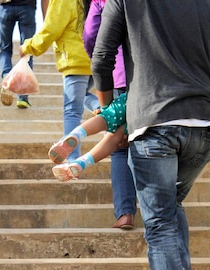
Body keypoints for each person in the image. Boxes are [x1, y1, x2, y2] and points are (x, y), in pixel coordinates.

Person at [91, 0, 210, 270]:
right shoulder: (209, 5)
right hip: (204, 129)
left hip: (154, 124)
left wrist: (112, 113)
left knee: (158, 227)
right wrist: (206, 115)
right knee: (171, 204)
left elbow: (101, 57)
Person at [19, 0, 99, 160]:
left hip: (75, 60)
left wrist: (28, 46)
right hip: (97, 58)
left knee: (72, 111)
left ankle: (71, 160)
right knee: (82, 97)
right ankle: (101, 107)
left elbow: (51, 28)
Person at [83, 0, 136, 230]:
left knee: (119, 148)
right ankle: (163, 208)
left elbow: (91, 36)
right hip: (151, 79)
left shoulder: (102, 1)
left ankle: (125, 213)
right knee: (151, 141)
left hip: (116, 78)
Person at [0, 0, 37, 109]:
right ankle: (23, 97)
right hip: (27, 8)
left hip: (5, 8)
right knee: (27, 52)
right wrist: (46, 18)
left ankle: (7, 77)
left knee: (5, 49)